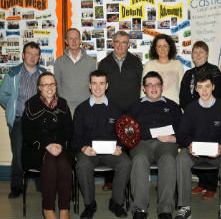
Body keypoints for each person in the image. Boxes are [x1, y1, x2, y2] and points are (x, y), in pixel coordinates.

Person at [175, 72, 221, 219]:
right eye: (200, 87)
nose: (204, 91)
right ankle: (184, 207)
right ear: (196, 89)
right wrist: (189, 145)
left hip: (218, 153)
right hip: (195, 153)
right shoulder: (190, 109)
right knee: (181, 158)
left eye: (207, 87)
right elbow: (182, 135)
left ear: (213, 87)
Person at [72, 70, 131, 219]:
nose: (98, 87)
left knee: (125, 163)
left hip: (111, 153)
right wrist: (84, 148)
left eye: (101, 83)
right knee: (82, 165)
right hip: (89, 152)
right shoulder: (81, 109)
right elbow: (75, 137)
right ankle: (89, 204)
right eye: (94, 83)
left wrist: (120, 147)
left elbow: (123, 135)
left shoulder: (116, 109)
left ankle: (117, 203)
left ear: (107, 86)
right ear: (89, 86)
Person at [128, 71, 182, 219]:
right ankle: (140, 209)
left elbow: (184, 131)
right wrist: (153, 133)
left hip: (166, 144)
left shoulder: (173, 107)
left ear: (162, 87)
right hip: (141, 144)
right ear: (143, 88)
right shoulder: (135, 107)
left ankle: (165, 210)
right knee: (139, 160)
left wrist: (174, 138)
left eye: (157, 84)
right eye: (149, 85)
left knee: (169, 160)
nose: (153, 88)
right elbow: (129, 132)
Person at [21, 72, 73, 219]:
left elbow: (69, 129)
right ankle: (48, 208)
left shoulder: (63, 103)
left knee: (64, 163)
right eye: (45, 85)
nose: (49, 88)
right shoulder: (31, 105)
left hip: (60, 146)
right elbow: (28, 133)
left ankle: (64, 209)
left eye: (52, 84)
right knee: (49, 162)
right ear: (39, 87)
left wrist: (60, 145)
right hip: (36, 149)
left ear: (56, 85)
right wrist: (46, 145)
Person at [0, 41, 46, 199]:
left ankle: (41, 184)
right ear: (23, 55)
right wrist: (13, 108)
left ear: (39, 57)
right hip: (19, 120)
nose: (32, 57)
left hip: (39, 122)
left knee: (41, 151)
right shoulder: (13, 73)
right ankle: (17, 187)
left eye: (36, 54)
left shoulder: (43, 74)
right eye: (29, 54)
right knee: (18, 154)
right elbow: (2, 96)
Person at [179, 41, 221, 200]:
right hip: (193, 119)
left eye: (201, 52)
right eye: (195, 52)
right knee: (196, 150)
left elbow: (220, 97)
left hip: (211, 119)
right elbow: (183, 97)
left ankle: (211, 186)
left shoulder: (214, 71)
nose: (197, 55)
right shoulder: (188, 73)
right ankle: (202, 183)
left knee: (210, 151)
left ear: (206, 54)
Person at [98, 30, 143, 190]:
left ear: (129, 44)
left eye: (124, 42)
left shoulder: (136, 62)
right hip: (111, 110)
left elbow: (140, 86)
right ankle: (110, 180)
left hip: (132, 110)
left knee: (130, 144)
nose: (120, 45)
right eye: (117, 42)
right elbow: (100, 86)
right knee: (111, 142)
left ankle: (130, 179)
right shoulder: (104, 63)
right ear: (112, 43)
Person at [54, 28, 97, 113]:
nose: (74, 41)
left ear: (80, 40)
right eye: (71, 38)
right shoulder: (59, 61)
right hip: (66, 108)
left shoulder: (91, 62)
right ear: (66, 41)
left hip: (86, 107)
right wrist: (64, 102)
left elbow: (94, 84)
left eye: (76, 38)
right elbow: (57, 84)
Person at [142, 34, 184, 105]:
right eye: (159, 46)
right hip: (153, 107)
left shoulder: (178, 64)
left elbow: (183, 89)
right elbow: (143, 90)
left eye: (165, 46)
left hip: (174, 107)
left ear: (170, 48)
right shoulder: (149, 65)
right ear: (155, 48)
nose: (162, 49)